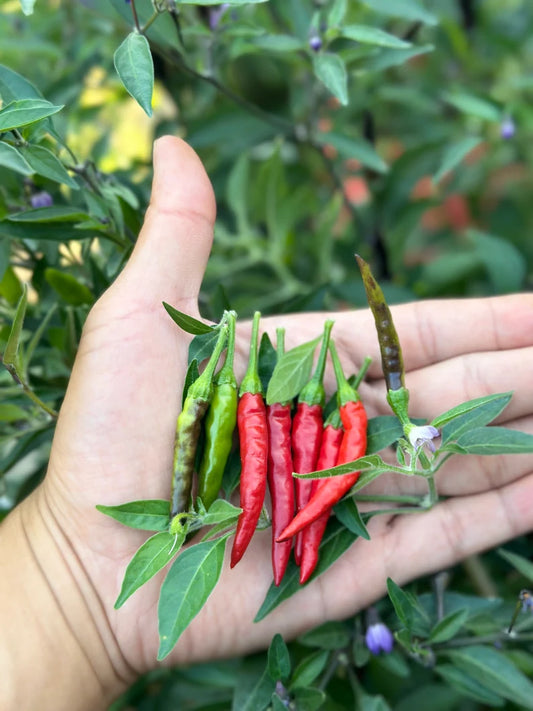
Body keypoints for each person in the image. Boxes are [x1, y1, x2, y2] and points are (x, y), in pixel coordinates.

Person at [1, 137, 532, 711]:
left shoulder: (322, 423)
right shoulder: (268, 415)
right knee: (284, 488)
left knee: (294, 500)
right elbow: (255, 475)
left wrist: (69, 592)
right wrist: (71, 581)